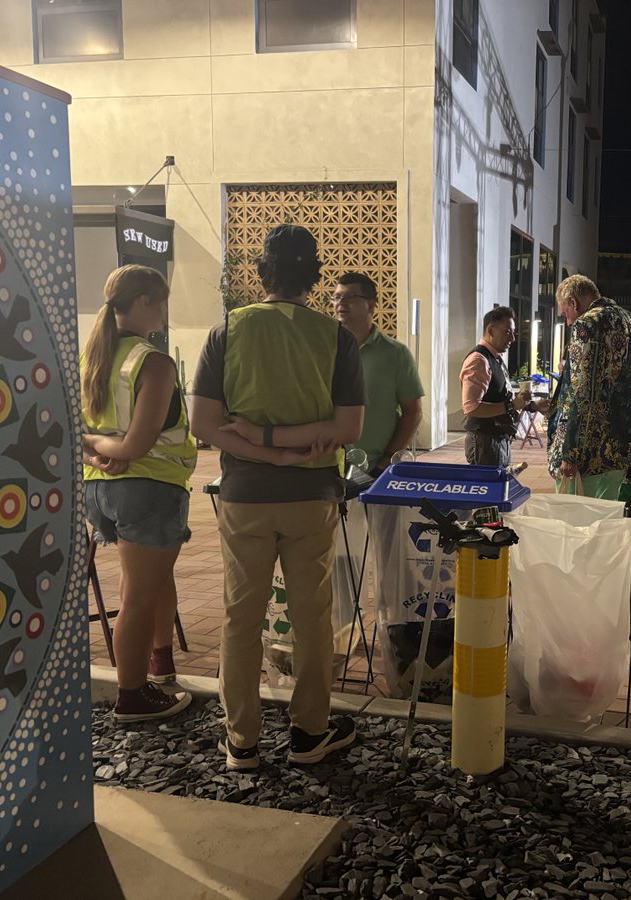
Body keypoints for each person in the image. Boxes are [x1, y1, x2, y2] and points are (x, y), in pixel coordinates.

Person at [190, 224, 365, 770]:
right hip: (311, 493)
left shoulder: (226, 332)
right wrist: (294, 450)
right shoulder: (336, 338)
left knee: (242, 614)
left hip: (244, 494)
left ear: (263, 272)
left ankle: (241, 739)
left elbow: (205, 423)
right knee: (313, 613)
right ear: (313, 278)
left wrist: (262, 444)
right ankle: (310, 733)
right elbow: (350, 426)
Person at [79, 264, 196, 722]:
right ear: (145, 302)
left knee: (151, 579)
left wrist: (94, 449)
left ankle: (161, 663)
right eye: (162, 301)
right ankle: (132, 695)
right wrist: (110, 449)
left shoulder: (94, 357)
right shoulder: (154, 362)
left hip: (101, 492)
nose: (166, 312)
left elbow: (92, 435)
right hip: (149, 490)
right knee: (137, 598)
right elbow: (135, 444)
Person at [544, 274, 631, 499]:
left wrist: (570, 452)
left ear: (573, 302)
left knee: (575, 522)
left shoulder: (588, 324)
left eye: (566, 312)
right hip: (624, 448)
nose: (568, 321)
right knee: (606, 519)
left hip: (588, 451)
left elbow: (582, 391)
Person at [332, 272, 424, 474]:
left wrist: (387, 460)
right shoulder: (322, 349)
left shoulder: (395, 353)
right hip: (326, 464)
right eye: (337, 297)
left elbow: (413, 411)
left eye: (351, 297)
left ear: (372, 304)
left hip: (373, 467)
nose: (341, 303)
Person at [459, 306, 527, 467]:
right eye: (507, 332)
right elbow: (471, 407)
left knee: (499, 488)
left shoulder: (495, 359)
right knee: (485, 489)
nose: (512, 338)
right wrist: (510, 405)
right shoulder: (478, 360)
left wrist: (530, 405)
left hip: (496, 438)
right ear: (491, 330)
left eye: (513, 332)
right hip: (484, 440)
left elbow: (499, 395)